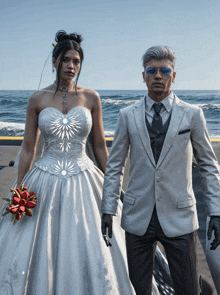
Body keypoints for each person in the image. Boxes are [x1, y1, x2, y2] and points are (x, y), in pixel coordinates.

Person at [0, 30, 138, 294]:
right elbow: (28, 149)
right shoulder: (37, 99)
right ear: (54, 61)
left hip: (84, 177)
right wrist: (19, 188)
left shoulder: (92, 98)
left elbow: (99, 147)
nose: (72, 66)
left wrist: (112, 186)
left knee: (91, 243)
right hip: (43, 178)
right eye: (66, 60)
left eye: (76, 61)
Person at [101, 45, 220, 295]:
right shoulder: (126, 116)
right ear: (143, 75)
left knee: (187, 288)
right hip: (137, 216)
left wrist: (216, 212)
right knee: (138, 289)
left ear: (173, 76)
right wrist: (108, 209)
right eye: (151, 70)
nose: (158, 76)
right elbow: (114, 166)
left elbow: (209, 165)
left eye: (165, 70)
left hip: (180, 217)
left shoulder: (192, 115)